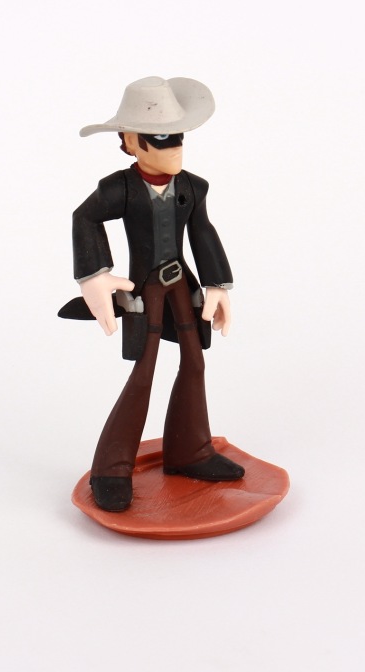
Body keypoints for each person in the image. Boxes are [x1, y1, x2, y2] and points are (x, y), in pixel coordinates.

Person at [61, 76, 244, 512]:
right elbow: (84, 218)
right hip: (145, 290)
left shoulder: (192, 188)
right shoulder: (119, 189)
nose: (175, 148)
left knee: (195, 361)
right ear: (131, 141)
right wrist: (95, 276)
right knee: (144, 371)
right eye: (161, 138)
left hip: (182, 286)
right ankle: (111, 468)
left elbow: (202, 233)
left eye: (178, 137)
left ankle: (190, 451)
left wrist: (217, 284)